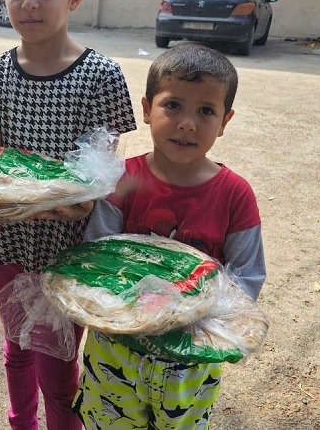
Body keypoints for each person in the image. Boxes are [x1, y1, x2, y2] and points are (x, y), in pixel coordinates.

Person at [0, 0, 136, 429]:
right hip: (11, 242)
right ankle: (22, 422)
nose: (29, 3)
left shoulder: (101, 75)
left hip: (74, 246)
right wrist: (42, 201)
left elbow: (95, 179)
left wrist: (57, 201)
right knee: (17, 347)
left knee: (60, 361)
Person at [74, 44, 266, 429]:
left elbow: (246, 277)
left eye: (206, 111)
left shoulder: (235, 194)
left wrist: (193, 316)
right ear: (146, 109)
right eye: (173, 105)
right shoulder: (122, 179)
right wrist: (133, 309)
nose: (187, 123)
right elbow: (96, 257)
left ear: (225, 120)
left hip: (192, 360)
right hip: (116, 352)